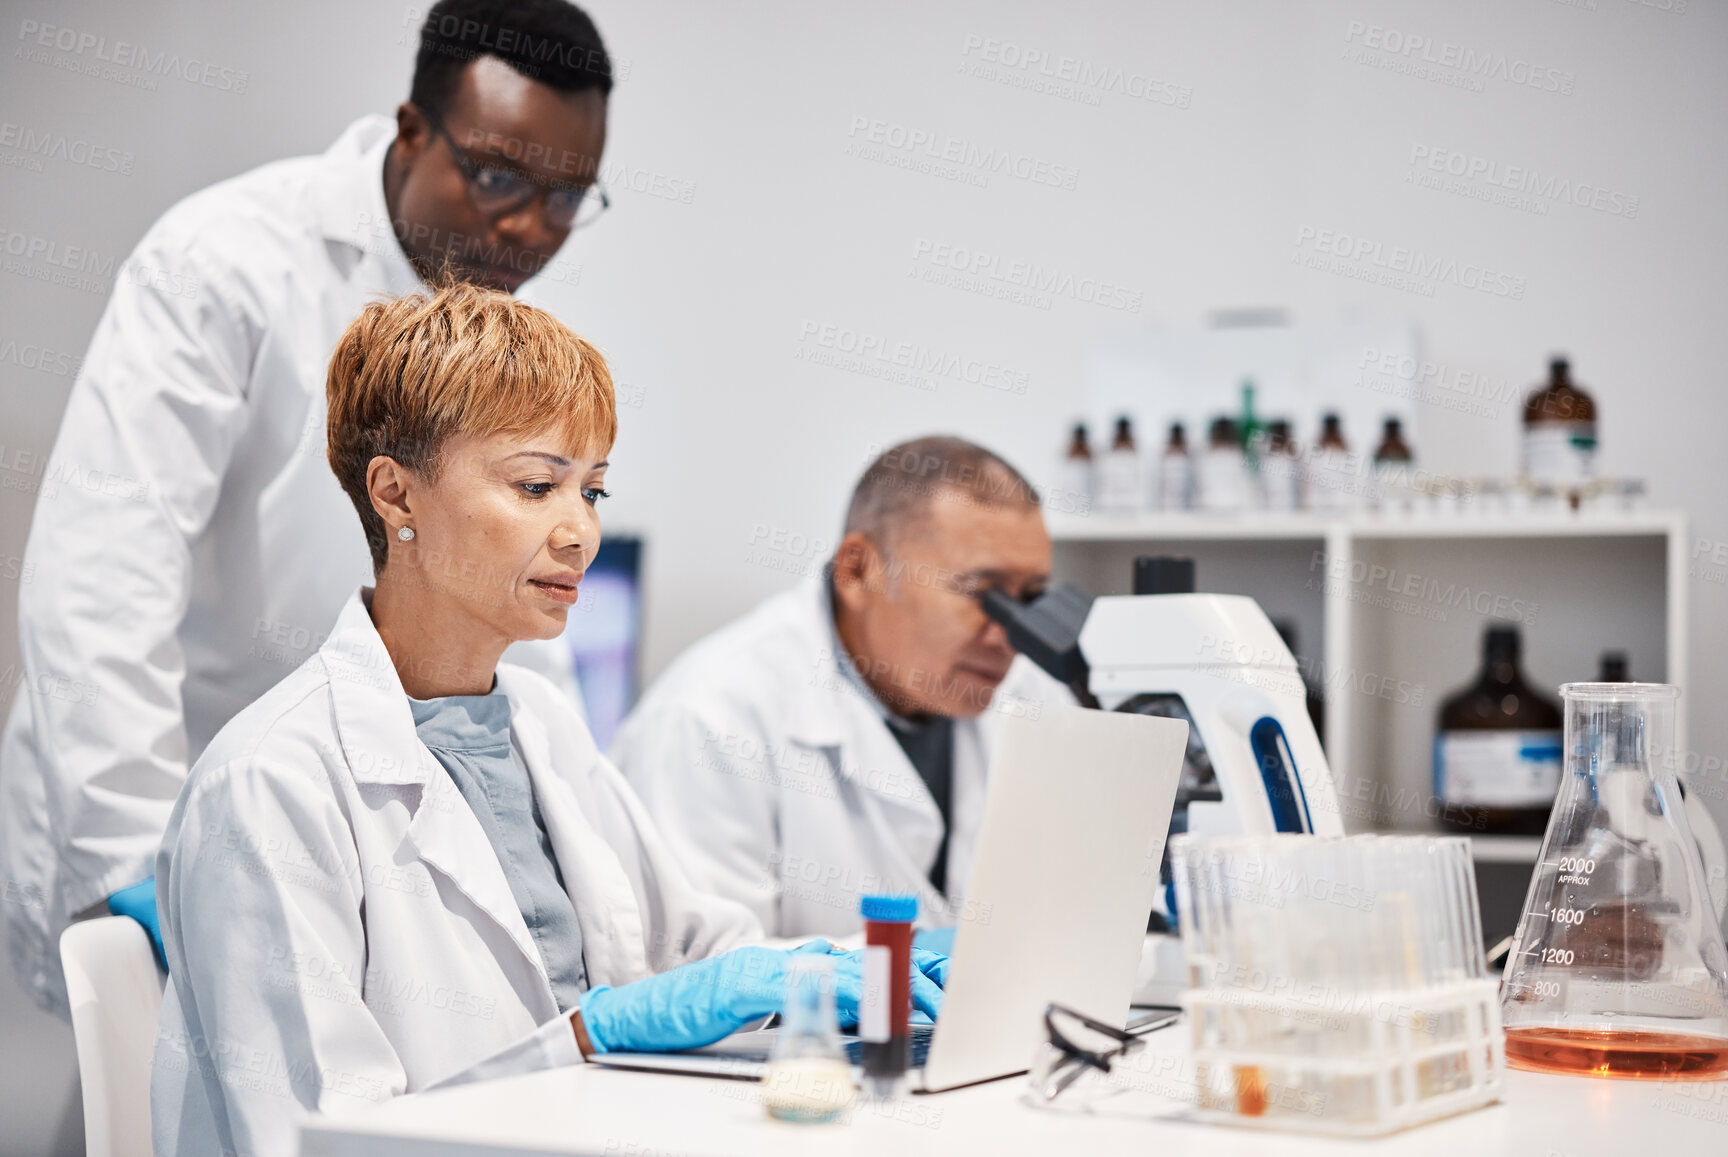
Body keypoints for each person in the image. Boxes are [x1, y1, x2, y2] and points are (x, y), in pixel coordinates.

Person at [152, 285, 946, 1157]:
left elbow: (694, 953)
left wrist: (864, 969)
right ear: (396, 495)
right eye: (536, 485)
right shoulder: (272, 783)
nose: (579, 533)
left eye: (593, 491)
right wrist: (585, 1036)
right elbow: (326, 1138)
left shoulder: (539, 721)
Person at [3, 0, 618, 1015]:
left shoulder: (504, 329)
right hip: (175, 774)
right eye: (500, 178)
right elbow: (101, 575)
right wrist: (132, 846)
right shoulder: (225, 262)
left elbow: (508, 605)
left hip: (363, 819)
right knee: (168, 1102)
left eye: (567, 199)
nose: (529, 229)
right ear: (412, 133)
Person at [611, 438, 1073, 940]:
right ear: (859, 570)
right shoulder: (708, 719)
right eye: (981, 593)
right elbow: (703, 976)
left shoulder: (1033, 699)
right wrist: (869, 980)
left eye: (1029, 599)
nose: (1009, 635)